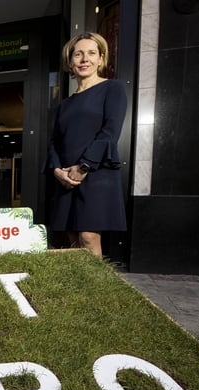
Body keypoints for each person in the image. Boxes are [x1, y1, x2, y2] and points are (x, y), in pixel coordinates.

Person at [45, 32, 128, 258]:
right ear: (70, 61)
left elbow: (109, 133)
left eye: (91, 53)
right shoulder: (65, 104)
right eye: (78, 54)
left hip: (96, 173)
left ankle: (98, 293)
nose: (84, 59)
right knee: (72, 239)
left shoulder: (113, 89)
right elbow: (54, 142)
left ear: (101, 59)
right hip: (66, 178)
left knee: (89, 237)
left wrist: (83, 167)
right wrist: (57, 171)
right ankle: (81, 291)